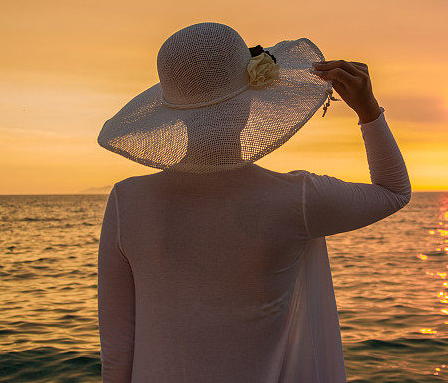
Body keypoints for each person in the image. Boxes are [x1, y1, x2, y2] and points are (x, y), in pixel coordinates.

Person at [96, 22, 411, 382]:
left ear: (174, 114)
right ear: (249, 107)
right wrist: (368, 109)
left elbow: (118, 351)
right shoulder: (296, 199)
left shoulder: (127, 202)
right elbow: (394, 191)